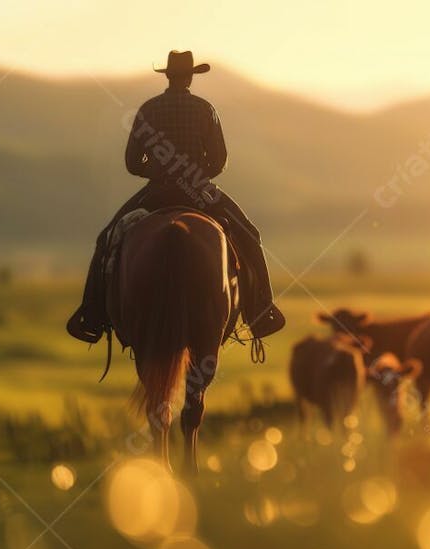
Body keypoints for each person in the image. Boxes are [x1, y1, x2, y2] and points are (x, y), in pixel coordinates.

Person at [66, 50, 285, 344]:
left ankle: (92, 316)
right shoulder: (205, 109)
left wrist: (159, 170)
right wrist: (193, 173)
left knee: (106, 239)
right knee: (249, 235)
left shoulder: (148, 110)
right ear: (191, 76)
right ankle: (261, 311)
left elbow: (132, 163)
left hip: (157, 191)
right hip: (200, 191)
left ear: (168, 76)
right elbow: (218, 161)